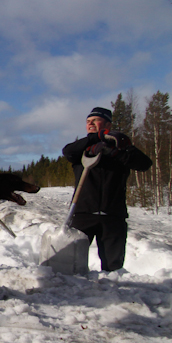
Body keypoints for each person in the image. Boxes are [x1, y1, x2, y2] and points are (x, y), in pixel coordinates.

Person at [62, 106, 152, 271]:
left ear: (108, 124)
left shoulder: (120, 147)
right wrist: (94, 139)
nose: (90, 123)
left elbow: (145, 164)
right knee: (70, 264)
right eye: (88, 121)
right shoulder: (82, 149)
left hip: (113, 216)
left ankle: (115, 294)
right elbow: (67, 151)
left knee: (113, 268)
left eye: (95, 120)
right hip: (83, 214)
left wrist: (116, 152)